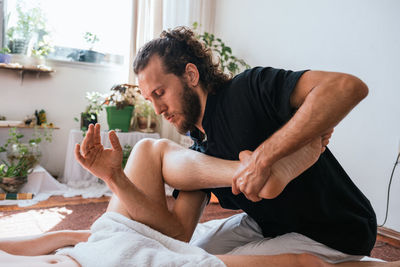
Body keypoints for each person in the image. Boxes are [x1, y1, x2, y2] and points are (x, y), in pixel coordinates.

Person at [130, 26, 377, 262]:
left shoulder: (246, 90)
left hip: (334, 230)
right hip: (270, 225)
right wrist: (114, 178)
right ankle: (277, 175)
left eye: (160, 93)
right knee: (187, 257)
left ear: (191, 75)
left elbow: (347, 87)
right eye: (149, 99)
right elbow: (179, 233)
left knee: (208, 266)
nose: (157, 109)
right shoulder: (200, 149)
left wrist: (262, 158)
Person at [0, 124, 398, 267]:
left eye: (158, 94)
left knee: (148, 150)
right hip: (130, 258)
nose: (158, 107)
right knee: (300, 262)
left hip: (106, 244)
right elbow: (302, 261)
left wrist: (111, 183)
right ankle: (253, 173)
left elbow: (52, 239)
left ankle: (251, 173)